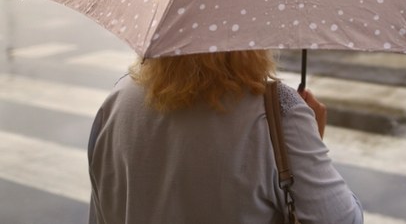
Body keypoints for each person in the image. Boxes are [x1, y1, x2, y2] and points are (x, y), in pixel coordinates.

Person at [88, 49, 363, 224]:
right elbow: (342, 219)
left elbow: (102, 212)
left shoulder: (118, 100)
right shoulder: (279, 112)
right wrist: (311, 137)